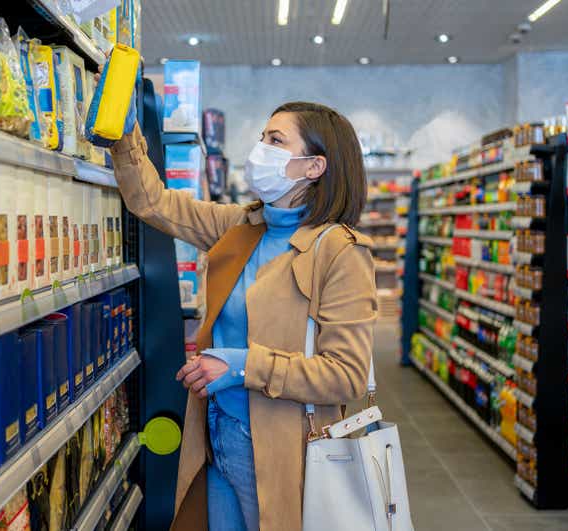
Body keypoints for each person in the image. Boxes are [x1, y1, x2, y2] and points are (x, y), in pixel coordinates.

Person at [110, 101, 376, 531]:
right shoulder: (242, 227)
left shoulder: (340, 251)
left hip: (280, 448)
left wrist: (241, 365)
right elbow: (154, 203)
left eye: (276, 141)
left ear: (314, 166)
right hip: (216, 435)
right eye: (262, 138)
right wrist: (125, 139)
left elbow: (346, 376)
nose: (261, 150)